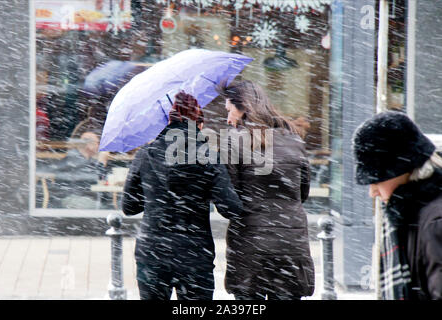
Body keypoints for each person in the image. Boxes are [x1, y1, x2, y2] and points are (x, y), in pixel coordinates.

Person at [122, 91, 243, 300]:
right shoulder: (209, 157)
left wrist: (155, 194)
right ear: (199, 124)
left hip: (152, 253)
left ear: (169, 122)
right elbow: (231, 209)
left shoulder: (146, 154)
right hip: (194, 255)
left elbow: (129, 207)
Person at [216, 80, 315, 300]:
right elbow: (303, 193)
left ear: (242, 109)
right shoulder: (294, 139)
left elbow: (229, 202)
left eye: (229, 110)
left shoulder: (233, 142)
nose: (228, 118)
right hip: (290, 241)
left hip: (251, 246)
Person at [352, 111, 442, 300]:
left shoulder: (434, 222)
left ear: (402, 169)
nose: (372, 192)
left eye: (377, 180)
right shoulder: (410, 214)